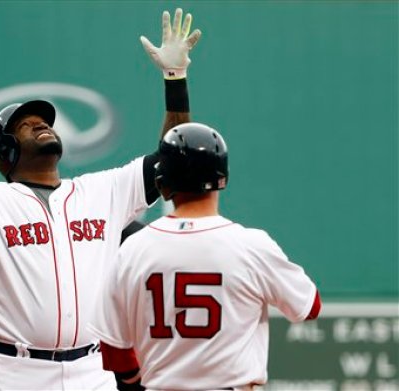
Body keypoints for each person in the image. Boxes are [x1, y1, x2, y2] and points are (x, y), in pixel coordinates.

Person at [0, 8, 201, 391]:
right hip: (17, 370)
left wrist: (175, 80)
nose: (41, 124)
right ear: (5, 152)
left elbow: (173, 158)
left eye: (44, 122)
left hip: (93, 369)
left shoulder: (101, 191)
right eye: (26, 126)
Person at [89, 122, 322, 391]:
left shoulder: (133, 248)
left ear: (162, 186)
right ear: (223, 178)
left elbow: (114, 349)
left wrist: (136, 380)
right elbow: (310, 307)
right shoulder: (252, 245)